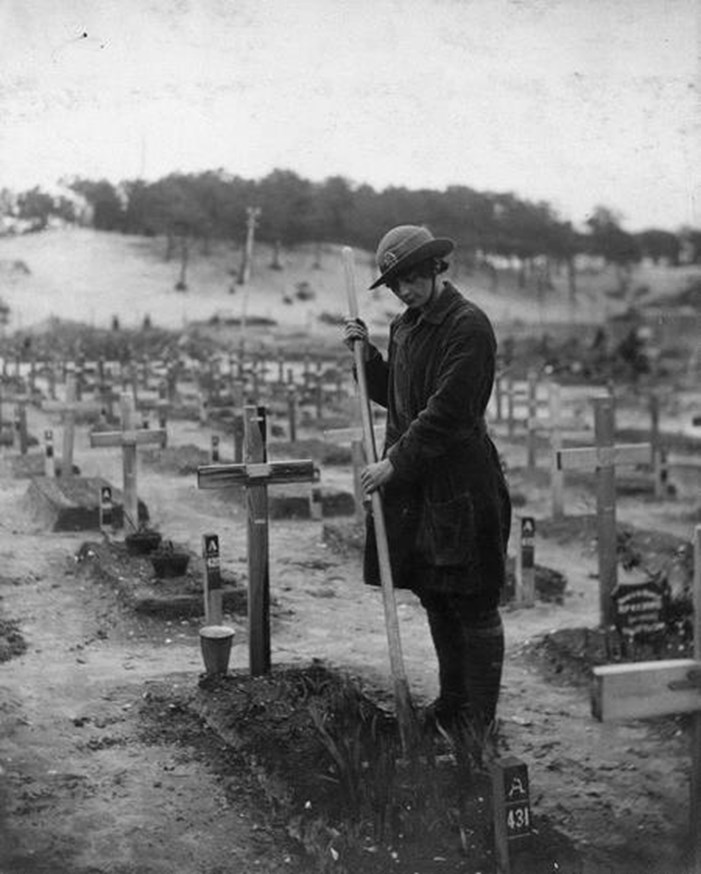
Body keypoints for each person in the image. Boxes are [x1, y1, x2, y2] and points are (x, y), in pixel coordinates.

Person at [342, 224, 511, 732]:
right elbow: (398, 397)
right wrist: (366, 357)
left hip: (461, 486)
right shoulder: (405, 326)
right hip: (419, 487)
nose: (405, 291)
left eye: (412, 279)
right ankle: (452, 703)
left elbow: (448, 411)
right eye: (395, 285)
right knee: (436, 594)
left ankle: (479, 723)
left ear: (437, 269)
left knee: (473, 602)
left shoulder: (468, 326)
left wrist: (395, 461)